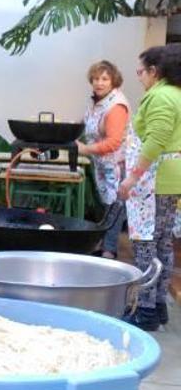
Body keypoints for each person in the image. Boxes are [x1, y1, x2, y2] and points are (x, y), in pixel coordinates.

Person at [119, 44, 181, 331]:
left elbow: (156, 139)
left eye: (140, 72)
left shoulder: (161, 97)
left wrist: (132, 176)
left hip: (153, 179)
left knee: (145, 245)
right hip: (168, 179)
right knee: (163, 243)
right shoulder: (176, 94)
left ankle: (144, 312)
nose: (140, 77)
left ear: (155, 72)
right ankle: (157, 308)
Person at [77, 61, 130, 259]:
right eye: (96, 79)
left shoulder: (116, 106)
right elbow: (85, 123)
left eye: (105, 79)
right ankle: (104, 246)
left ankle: (109, 252)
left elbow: (113, 142)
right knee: (109, 208)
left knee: (115, 210)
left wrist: (85, 148)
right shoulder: (97, 101)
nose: (99, 83)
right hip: (103, 164)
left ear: (113, 81)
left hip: (118, 166)